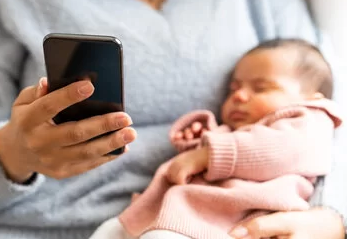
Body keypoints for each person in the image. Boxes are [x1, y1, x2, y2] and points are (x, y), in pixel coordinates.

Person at [0, 0, 347, 238]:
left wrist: (333, 216)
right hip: (40, 227)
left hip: (205, 226)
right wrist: (14, 152)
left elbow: (324, 110)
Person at [90, 39, 342, 239]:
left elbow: (280, 150)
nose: (240, 96)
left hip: (227, 222)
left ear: (313, 98)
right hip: (179, 212)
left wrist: (207, 155)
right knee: (111, 230)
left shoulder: (310, 120)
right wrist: (198, 139)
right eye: (234, 89)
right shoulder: (236, 131)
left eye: (260, 88)